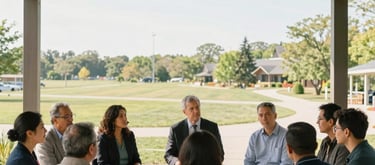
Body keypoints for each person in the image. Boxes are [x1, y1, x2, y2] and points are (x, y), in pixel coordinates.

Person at [165, 95, 224, 165]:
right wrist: (177, 162)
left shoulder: (212, 127)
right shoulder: (176, 129)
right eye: (191, 109)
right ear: (184, 112)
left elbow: (220, 154)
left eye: (197, 107)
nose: (196, 111)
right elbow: (168, 155)